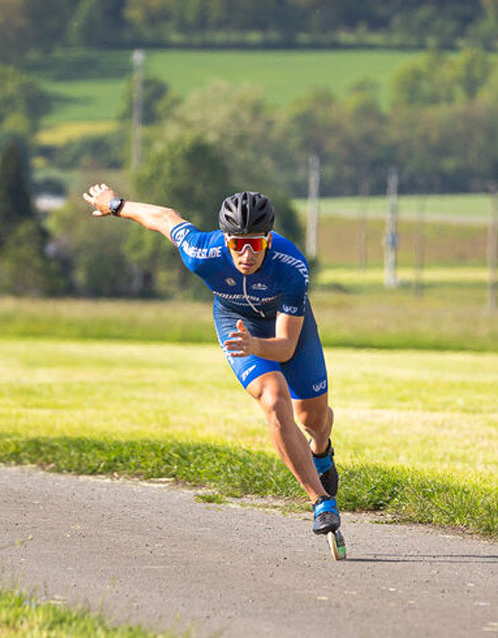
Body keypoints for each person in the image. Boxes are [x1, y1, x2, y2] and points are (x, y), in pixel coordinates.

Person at [82, 183, 341, 537]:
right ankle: (320, 501)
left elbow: (284, 347)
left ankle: (322, 451)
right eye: (237, 244)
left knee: (312, 418)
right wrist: (115, 204)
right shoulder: (201, 251)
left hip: (283, 329)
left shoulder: (291, 265)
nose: (246, 255)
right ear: (224, 240)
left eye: (254, 244)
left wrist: (257, 345)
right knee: (274, 397)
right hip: (237, 323)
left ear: (268, 240)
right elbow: (163, 218)